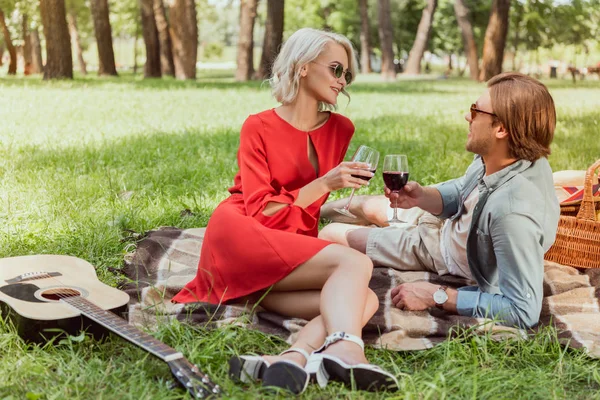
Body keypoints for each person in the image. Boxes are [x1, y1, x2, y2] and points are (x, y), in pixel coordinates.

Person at [172, 28, 398, 394]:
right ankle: (348, 352)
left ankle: (290, 359)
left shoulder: (341, 129)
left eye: (347, 75)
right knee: (356, 264)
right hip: (242, 231)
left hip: (286, 242)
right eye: (336, 69)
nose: (342, 81)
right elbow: (264, 211)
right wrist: (326, 184)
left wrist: (346, 201)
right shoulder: (257, 126)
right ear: (304, 66)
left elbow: (303, 206)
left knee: (363, 297)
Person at [320, 72, 560, 330]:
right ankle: (296, 207)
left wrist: (439, 295)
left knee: (330, 234)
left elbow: (523, 311)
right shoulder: (507, 156)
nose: (468, 116)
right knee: (361, 205)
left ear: (501, 129)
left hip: (439, 250)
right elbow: (462, 191)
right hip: (445, 222)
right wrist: (422, 197)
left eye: (476, 111)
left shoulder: (512, 213)